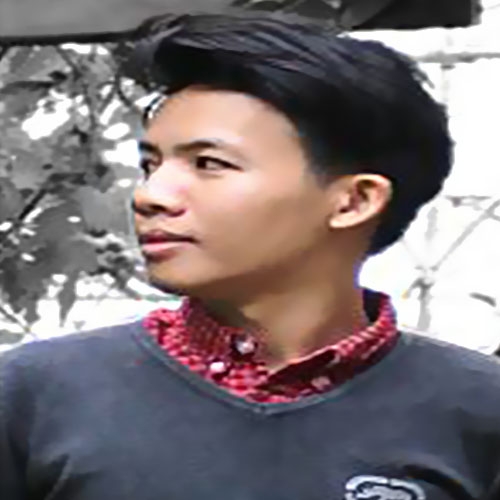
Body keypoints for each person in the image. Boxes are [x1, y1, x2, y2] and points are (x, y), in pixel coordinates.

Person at [1, 13, 499, 500]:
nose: (150, 195)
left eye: (209, 164)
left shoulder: (478, 410)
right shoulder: (32, 395)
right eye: (150, 164)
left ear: (354, 201)